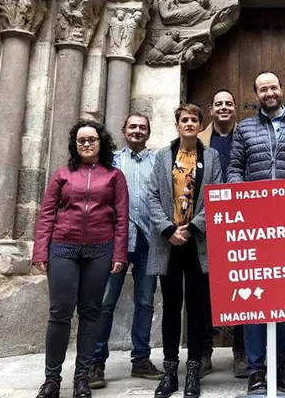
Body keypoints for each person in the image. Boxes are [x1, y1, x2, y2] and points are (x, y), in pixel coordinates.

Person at [228, 71, 285, 395]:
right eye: (262, 88)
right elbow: (235, 169)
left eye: (273, 87)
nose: (269, 92)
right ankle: (256, 370)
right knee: (255, 301)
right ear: (256, 93)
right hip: (254, 226)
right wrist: (247, 199)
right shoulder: (245, 128)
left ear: (281, 90)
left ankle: (280, 368)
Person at [32, 120, 128, 398]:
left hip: (100, 249)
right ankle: (51, 380)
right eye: (81, 140)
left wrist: (119, 252)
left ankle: (82, 379)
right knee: (59, 313)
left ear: (101, 143)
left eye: (92, 139)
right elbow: (47, 214)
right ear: (75, 145)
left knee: (90, 313)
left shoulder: (114, 176)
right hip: (63, 247)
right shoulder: (63, 174)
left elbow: (122, 219)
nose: (86, 144)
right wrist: (41, 250)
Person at [146, 104, 224, 397]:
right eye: (184, 120)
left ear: (200, 125)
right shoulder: (163, 157)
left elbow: (215, 195)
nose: (189, 124)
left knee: (197, 307)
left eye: (194, 120)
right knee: (170, 307)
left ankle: (193, 371)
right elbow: (152, 195)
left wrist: (192, 228)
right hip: (168, 243)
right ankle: (169, 372)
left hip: (198, 243)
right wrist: (168, 229)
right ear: (177, 125)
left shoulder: (212, 157)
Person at [90, 115, 163, 389]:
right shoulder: (110, 161)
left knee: (145, 301)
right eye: (132, 126)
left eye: (142, 127)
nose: (137, 131)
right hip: (115, 240)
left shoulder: (158, 161)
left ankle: (141, 359)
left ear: (148, 132)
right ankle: (96, 362)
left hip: (149, 240)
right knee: (106, 302)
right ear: (123, 131)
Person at [198, 88, 247, 378]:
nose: (224, 107)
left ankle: (240, 352)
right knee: (205, 289)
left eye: (229, 103)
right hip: (206, 225)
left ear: (235, 108)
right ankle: (204, 351)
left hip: (240, 224)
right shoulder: (198, 141)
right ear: (212, 109)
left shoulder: (246, 137)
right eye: (219, 104)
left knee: (241, 288)